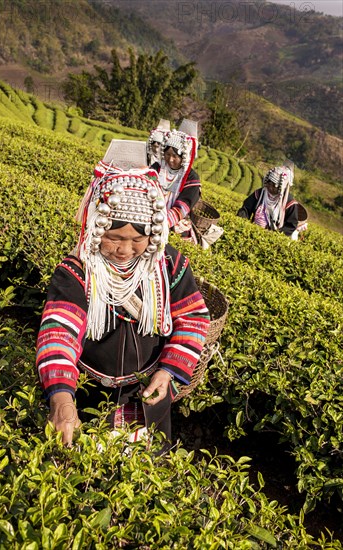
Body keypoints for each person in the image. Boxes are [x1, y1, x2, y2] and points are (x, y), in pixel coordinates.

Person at [36, 143, 210, 448]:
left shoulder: (170, 266)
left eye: (137, 239)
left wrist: (169, 372)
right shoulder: (77, 271)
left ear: (153, 233)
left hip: (146, 395)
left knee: (145, 474)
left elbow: (193, 319)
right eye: (114, 237)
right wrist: (63, 402)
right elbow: (58, 333)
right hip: (87, 395)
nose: (124, 249)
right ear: (96, 227)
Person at [151, 121, 201, 241]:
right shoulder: (156, 168)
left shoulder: (191, 178)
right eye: (167, 154)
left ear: (184, 157)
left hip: (174, 223)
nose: (170, 159)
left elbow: (183, 206)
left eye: (175, 156)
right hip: (151, 215)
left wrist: (162, 223)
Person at [236, 165, 298, 237]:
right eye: (269, 183)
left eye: (274, 186)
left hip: (273, 238)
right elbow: (245, 209)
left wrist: (276, 235)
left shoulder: (289, 203)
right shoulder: (259, 194)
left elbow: (291, 225)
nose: (270, 188)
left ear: (282, 186)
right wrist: (243, 224)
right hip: (253, 232)